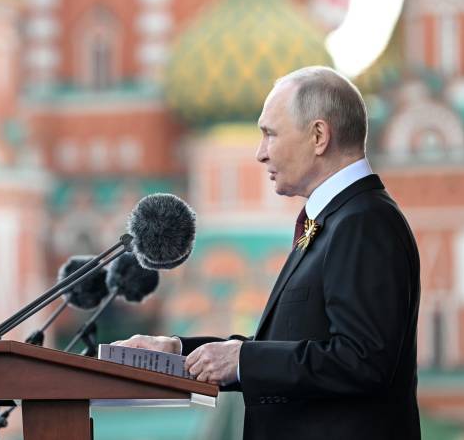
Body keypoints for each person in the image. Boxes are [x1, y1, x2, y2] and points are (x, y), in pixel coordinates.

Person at [114, 66, 421, 439]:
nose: (260, 154)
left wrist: (243, 361)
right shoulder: (336, 219)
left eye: (270, 134)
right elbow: (295, 348)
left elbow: (362, 361)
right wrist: (176, 352)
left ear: (319, 136)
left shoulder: (363, 222)